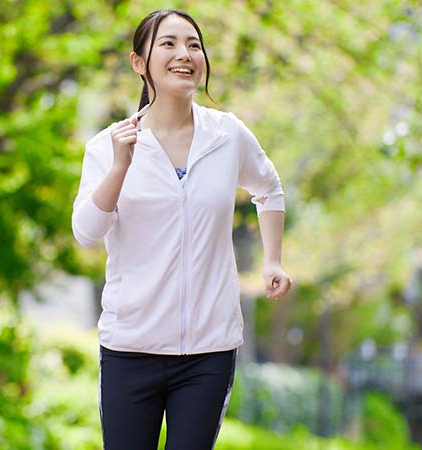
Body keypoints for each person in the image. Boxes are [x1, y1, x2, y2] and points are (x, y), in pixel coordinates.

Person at [71, 9, 292, 450]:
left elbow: (269, 189)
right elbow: (86, 232)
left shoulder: (227, 135)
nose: (184, 54)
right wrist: (120, 166)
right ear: (139, 63)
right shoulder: (109, 145)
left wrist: (272, 260)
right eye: (168, 44)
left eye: (193, 44)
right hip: (130, 346)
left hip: (209, 349)